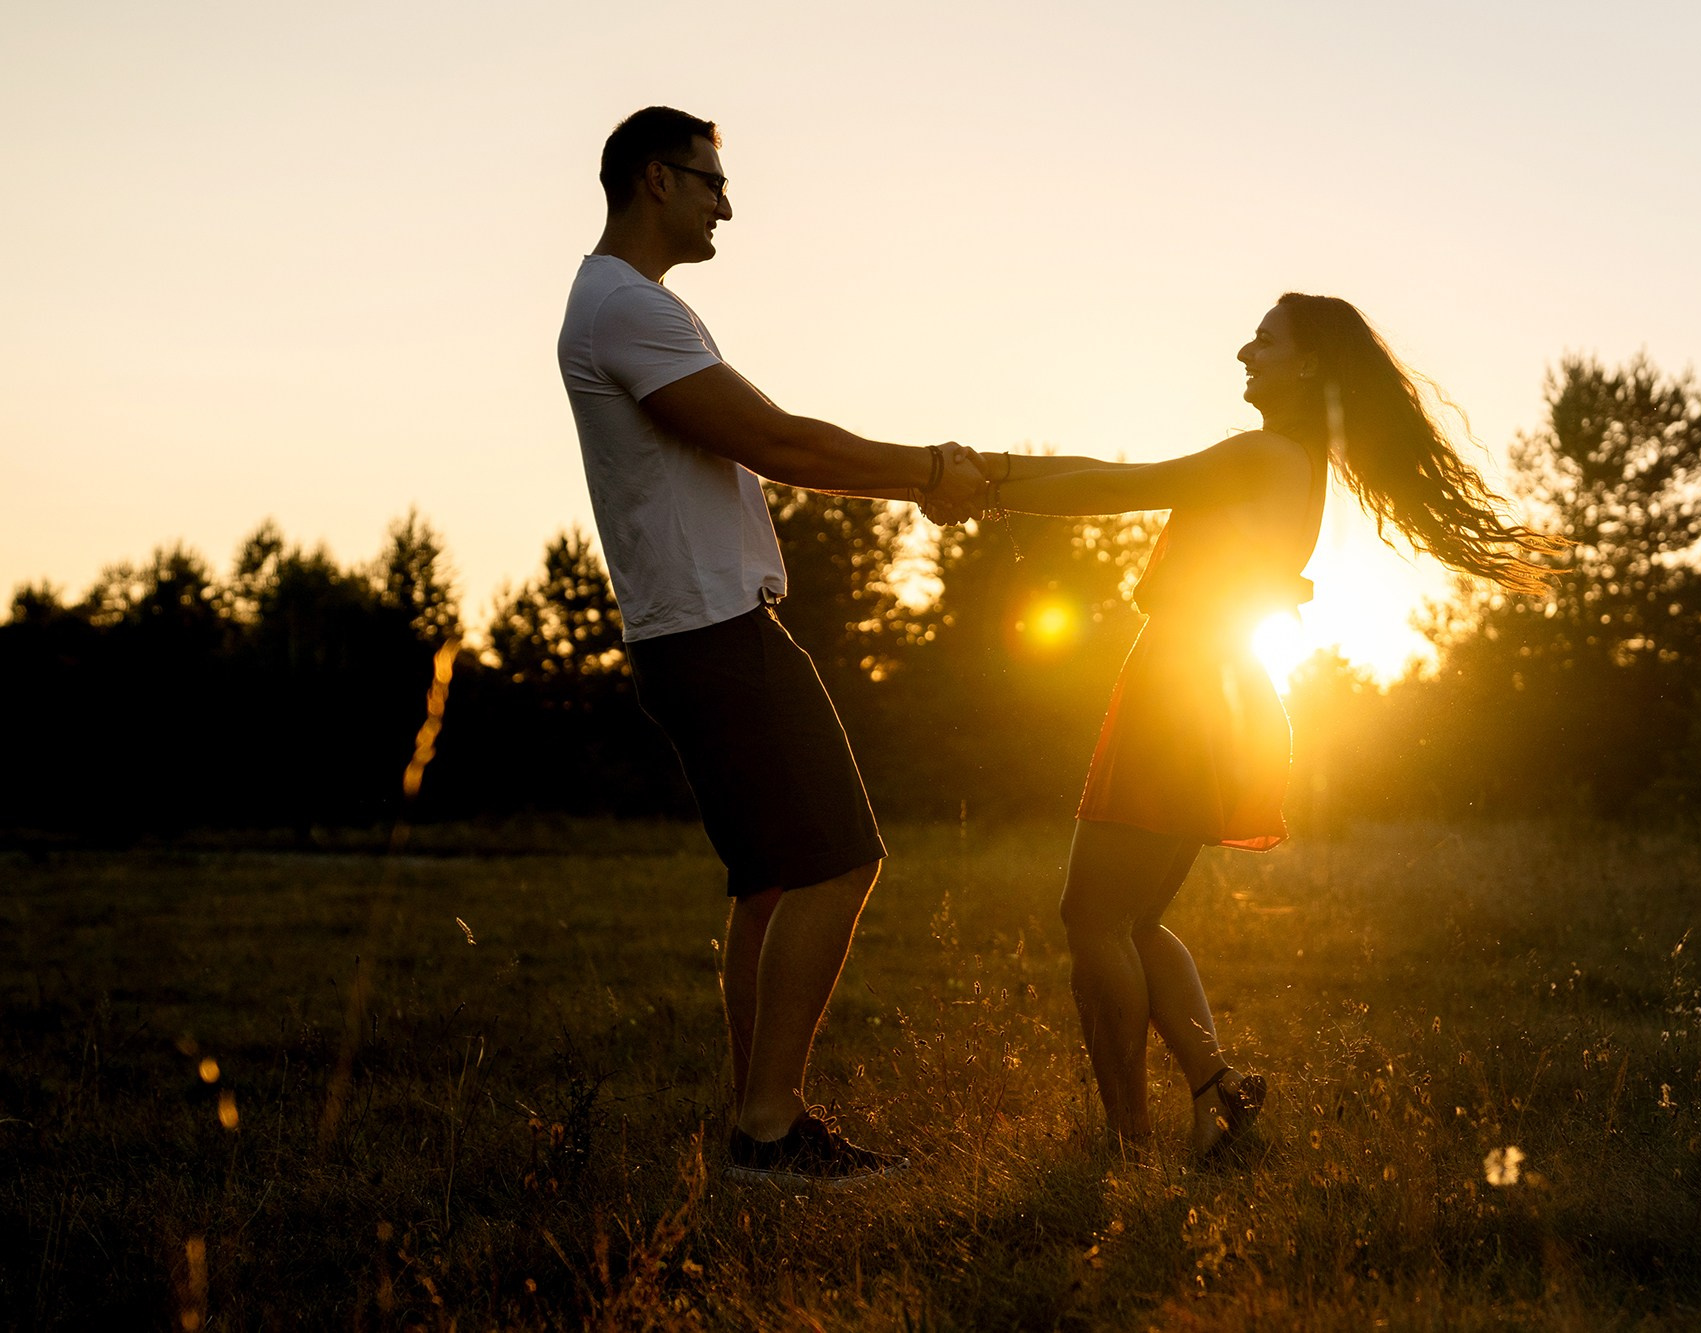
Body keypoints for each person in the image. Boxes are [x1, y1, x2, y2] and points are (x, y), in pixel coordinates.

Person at [957, 294, 1559, 1158]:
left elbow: (1118, 486)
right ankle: (1217, 1092)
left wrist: (983, 474)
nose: (1243, 350)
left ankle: (1127, 1140)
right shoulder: (1300, 463)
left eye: (1265, 341)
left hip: (1183, 686)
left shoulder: (1261, 454)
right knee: (1129, 919)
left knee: (1091, 917)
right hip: (1220, 686)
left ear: (1309, 363)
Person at [557, 105, 985, 1186]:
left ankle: (755, 1119)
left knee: (767, 883)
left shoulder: (630, 305)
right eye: (710, 181)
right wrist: (928, 471)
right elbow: (777, 440)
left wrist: (915, 478)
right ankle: (765, 1125)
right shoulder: (622, 307)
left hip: (690, 631)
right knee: (842, 858)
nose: (726, 204)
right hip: (712, 632)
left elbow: (764, 445)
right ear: (654, 178)